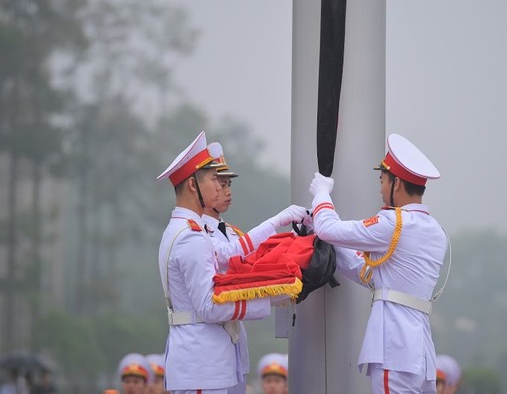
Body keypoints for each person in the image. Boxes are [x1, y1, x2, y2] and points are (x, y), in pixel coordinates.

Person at [157, 131, 307, 394]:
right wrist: (269, 298)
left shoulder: (187, 231)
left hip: (208, 360)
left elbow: (233, 254)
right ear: (193, 185)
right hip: (202, 363)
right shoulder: (190, 236)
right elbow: (208, 307)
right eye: (214, 180)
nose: (220, 188)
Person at [308, 133, 447, 394]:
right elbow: (374, 276)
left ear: (397, 184)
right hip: (420, 355)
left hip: (394, 349)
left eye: (382, 180)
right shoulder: (435, 231)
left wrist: (321, 195)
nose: (380, 188)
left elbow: (327, 228)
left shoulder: (393, 223)